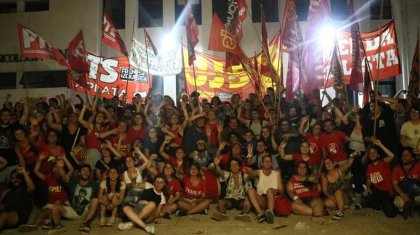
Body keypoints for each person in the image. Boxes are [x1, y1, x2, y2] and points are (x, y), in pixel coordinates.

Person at [362, 139, 398, 218]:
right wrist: (367, 188)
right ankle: (380, 205)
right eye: (370, 153)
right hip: (377, 191)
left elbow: (392, 156)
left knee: (391, 214)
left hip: (387, 192)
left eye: (374, 152)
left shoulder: (383, 162)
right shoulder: (369, 166)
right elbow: (368, 179)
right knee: (364, 199)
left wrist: (380, 145)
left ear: (378, 155)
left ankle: (392, 203)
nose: (372, 154)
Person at [211, 157, 252, 222]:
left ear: (239, 167)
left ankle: (242, 215)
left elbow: (249, 188)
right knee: (221, 202)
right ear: (230, 168)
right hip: (229, 199)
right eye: (232, 165)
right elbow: (220, 172)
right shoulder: (227, 175)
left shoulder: (245, 175)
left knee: (249, 203)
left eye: (236, 165)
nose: (234, 166)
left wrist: (247, 199)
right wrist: (216, 164)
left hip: (241, 199)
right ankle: (222, 215)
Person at [321, 152, 359, 220]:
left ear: (334, 163)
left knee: (338, 191)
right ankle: (346, 207)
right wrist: (332, 198)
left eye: (330, 162)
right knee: (327, 203)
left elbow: (348, 164)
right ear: (324, 166)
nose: (328, 164)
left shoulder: (339, 170)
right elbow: (325, 191)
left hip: (345, 197)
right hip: (335, 198)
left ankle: (341, 212)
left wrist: (352, 155)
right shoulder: (324, 176)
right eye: (326, 163)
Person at [246, 155, 283, 224]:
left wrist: (274, 191)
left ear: (272, 163)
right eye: (265, 161)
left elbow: (281, 189)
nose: (267, 162)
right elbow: (251, 174)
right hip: (262, 200)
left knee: (269, 190)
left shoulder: (277, 173)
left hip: (273, 199)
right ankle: (260, 213)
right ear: (262, 163)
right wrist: (250, 171)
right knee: (250, 190)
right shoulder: (258, 173)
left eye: (269, 161)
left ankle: (270, 213)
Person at [0, 167, 34, 231]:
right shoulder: (7, 192)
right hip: (5, 212)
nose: (15, 179)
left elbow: (32, 188)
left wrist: (24, 172)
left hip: (18, 215)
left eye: (18, 177)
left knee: (4, 215)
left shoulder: (25, 190)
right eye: (13, 178)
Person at [392, 147, 420, 219]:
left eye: (407, 155)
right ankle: (405, 208)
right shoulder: (397, 168)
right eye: (403, 155)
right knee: (399, 203)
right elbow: (395, 184)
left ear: (413, 158)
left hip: (415, 192)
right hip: (403, 192)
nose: (404, 157)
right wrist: (403, 195)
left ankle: (414, 205)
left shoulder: (418, 166)